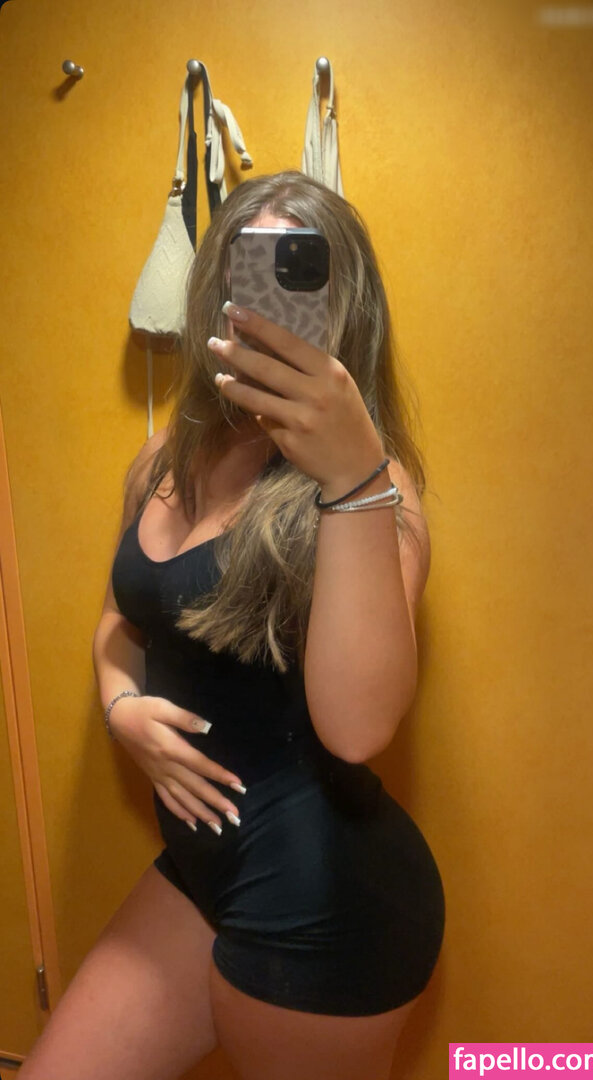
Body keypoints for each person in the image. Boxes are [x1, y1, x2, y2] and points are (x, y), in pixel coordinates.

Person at [20, 171, 445, 1080]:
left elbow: (358, 728)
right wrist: (121, 709)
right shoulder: (162, 461)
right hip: (200, 874)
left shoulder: (379, 495)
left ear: (344, 309)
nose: (259, 312)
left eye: (295, 277)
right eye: (242, 275)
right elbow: (121, 623)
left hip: (323, 903)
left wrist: (351, 476)